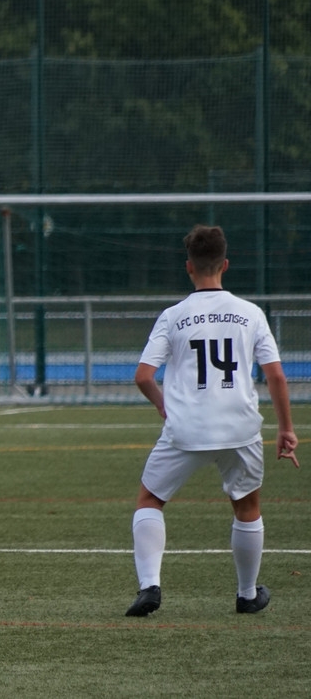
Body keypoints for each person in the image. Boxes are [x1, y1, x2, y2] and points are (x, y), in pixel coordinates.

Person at [125, 224, 299, 617]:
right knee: (246, 506)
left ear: (189, 267)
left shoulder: (173, 316)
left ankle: (150, 586)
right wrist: (286, 429)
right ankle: (247, 594)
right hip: (240, 427)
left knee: (150, 500)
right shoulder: (251, 314)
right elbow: (275, 375)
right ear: (226, 264)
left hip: (186, 428)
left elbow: (143, 376)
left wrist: (163, 406)